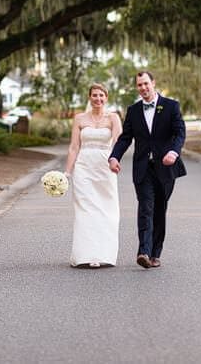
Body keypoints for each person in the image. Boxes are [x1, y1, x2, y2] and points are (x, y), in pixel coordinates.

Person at [109, 71, 187, 269]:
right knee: (146, 208)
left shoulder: (171, 106)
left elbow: (179, 133)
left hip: (166, 167)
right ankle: (143, 251)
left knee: (159, 210)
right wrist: (114, 156)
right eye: (139, 85)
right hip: (143, 169)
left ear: (153, 83)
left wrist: (174, 152)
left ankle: (155, 253)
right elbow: (126, 137)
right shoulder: (133, 110)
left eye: (146, 84)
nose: (143, 88)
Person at [65, 83, 122, 268]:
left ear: (106, 97)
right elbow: (74, 147)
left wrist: (115, 159)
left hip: (105, 168)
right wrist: (67, 171)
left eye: (101, 95)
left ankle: (103, 253)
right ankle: (85, 255)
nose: (98, 99)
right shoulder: (79, 118)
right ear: (89, 97)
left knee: (106, 210)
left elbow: (119, 142)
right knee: (85, 209)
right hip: (83, 167)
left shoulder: (113, 118)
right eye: (94, 95)